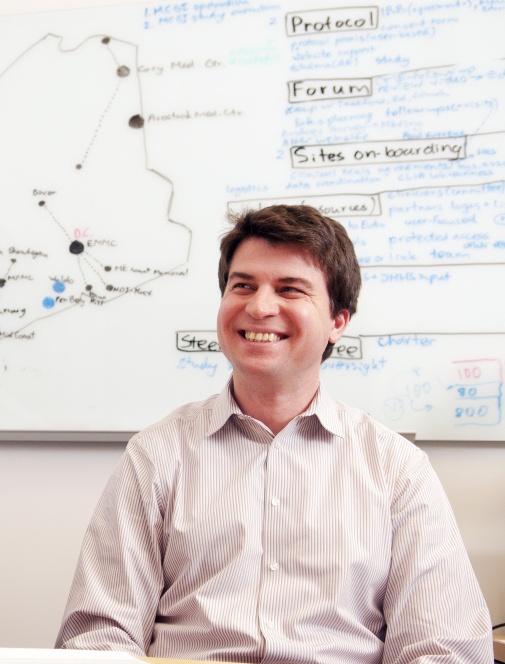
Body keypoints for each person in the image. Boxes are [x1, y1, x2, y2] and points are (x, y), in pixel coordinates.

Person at [55, 205, 491, 663]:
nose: (259, 307)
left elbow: (444, 649)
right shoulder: (157, 454)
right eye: (243, 286)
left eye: (290, 289)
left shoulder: (397, 468)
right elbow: (98, 638)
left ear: (338, 322)